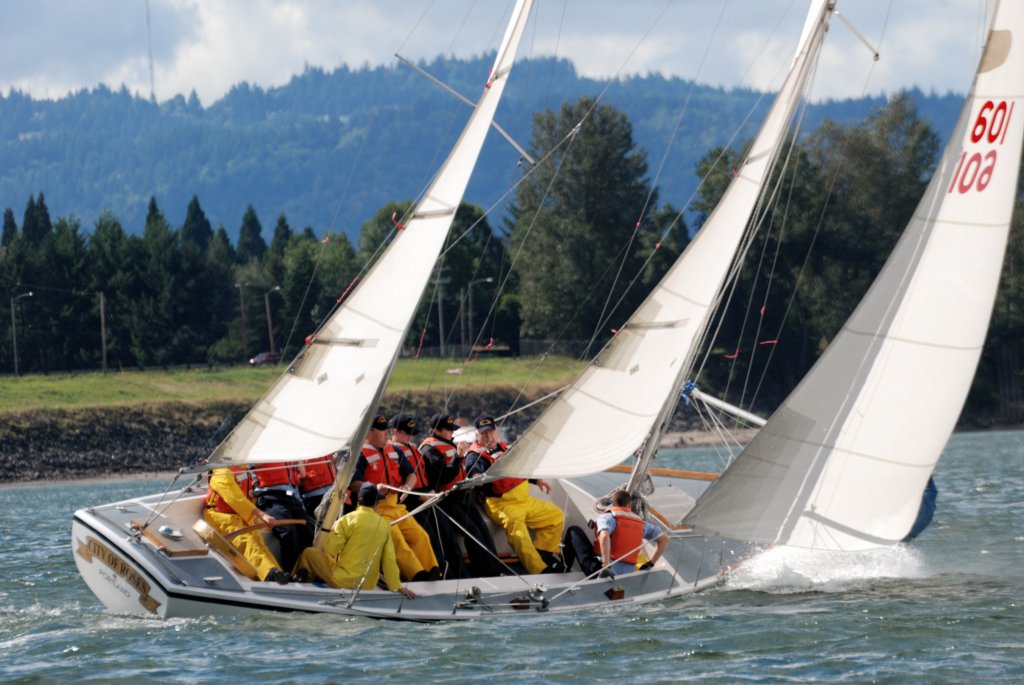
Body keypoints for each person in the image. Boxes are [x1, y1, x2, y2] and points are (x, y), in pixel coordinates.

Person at [464, 415, 565, 574]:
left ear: (497, 432)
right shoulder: (474, 455)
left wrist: (536, 480)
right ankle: (538, 569)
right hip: (501, 505)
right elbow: (473, 470)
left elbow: (518, 469)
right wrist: (476, 476)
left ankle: (544, 552)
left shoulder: (505, 448)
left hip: (523, 500)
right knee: (519, 533)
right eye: (484, 433)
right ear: (477, 435)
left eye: (491, 431)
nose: (489, 436)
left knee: (556, 516)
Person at [350, 414, 440, 582]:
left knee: (420, 535)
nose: (386, 434)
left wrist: (407, 487)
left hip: (396, 506)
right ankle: (416, 575)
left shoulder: (395, 450)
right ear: (368, 433)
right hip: (375, 509)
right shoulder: (360, 454)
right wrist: (373, 488)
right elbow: (354, 483)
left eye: (386, 430)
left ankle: (432, 570)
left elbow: (411, 475)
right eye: (381, 431)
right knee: (396, 539)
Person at [292, 483, 416, 598]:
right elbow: (389, 560)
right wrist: (397, 587)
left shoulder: (346, 520)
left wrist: (333, 531)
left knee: (309, 553)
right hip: (368, 585)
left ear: (358, 501)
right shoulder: (384, 525)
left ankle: (293, 583)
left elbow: (330, 550)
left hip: (344, 581)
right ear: (376, 503)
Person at [420, 412, 502, 577]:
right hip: (447, 501)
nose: (452, 433)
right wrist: (458, 457)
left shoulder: (449, 444)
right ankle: (487, 573)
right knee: (473, 533)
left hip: (462, 497)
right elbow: (441, 479)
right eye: (448, 430)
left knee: (483, 531)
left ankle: (497, 570)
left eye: (453, 429)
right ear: (437, 431)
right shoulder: (430, 450)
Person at [388, 413, 466, 578]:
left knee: (449, 539)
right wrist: (418, 496)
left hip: (427, 497)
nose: (409, 436)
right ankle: (442, 577)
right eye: (405, 432)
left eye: (411, 432)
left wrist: (431, 490)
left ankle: (461, 577)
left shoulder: (412, 448)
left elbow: (426, 475)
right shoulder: (392, 452)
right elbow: (396, 485)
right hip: (412, 502)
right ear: (394, 431)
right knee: (431, 542)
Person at [203, 465, 289, 583]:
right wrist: (262, 515)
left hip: (240, 515)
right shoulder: (222, 472)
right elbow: (235, 499)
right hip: (221, 517)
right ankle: (269, 574)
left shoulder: (241, 469)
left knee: (259, 543)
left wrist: (256, 517)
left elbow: (247, 498)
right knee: (248, 542)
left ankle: (278, 572)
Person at [563, 490, 669, 578]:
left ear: (613, 503)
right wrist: (650, 563)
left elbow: (604, 536)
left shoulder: (607, 517)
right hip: (626, 575)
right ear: (629, 504)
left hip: (601, 571)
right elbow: (664, 539)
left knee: (574, 531)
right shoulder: (642, 524)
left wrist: (605, 566)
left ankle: (564, 569)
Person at [250, 460, 314, 572]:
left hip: (290, 496)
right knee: (287, 532)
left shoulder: (286, 450)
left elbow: (302, 474)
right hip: (270, 496)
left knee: (308, 529)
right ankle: (292, 571)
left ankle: (308, 568)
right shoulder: (260, 450)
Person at [298, 453, 337, 519]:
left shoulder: (327, 447)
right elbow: (299, 474)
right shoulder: (298, 448)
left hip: (333, 491)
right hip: (314, 496)